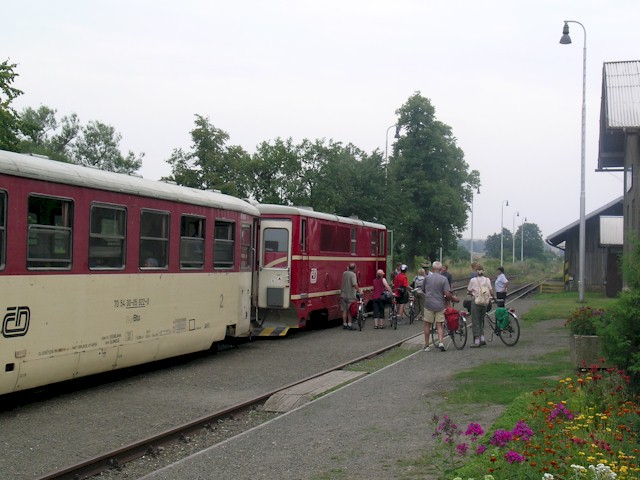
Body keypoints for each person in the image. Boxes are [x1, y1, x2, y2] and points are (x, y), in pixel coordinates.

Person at [421, 261, 459, 352]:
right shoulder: (444, 279)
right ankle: (441, 342)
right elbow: (447, 293)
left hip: (429, 304)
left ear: (433, 268)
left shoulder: (427, 278)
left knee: (427, 324)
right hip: (440, 304)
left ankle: (426, 345)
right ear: (441, 269)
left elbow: (423, 290)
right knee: (439, 324)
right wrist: (453, 298)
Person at [467, 263, 495, 348]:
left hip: (476, 302)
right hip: (485, 303)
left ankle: (477, 341)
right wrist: (494, 298)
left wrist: (471, 292)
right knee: (481, 320)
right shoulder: (487, 280)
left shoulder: (473, 280)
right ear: (483, 271)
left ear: (476, 272)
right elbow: (491, 291)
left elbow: (468, 291)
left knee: (475, 321)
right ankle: (482, 338)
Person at [340, 263, 360, 330]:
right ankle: (350, 324)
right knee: (350, 310)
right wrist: (359, 291)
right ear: (354, 268)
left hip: (343, 295)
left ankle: (344, 324)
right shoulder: (353, 274)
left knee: (344, 310)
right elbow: (354, 284)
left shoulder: (344, 273)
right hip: (350, 296)